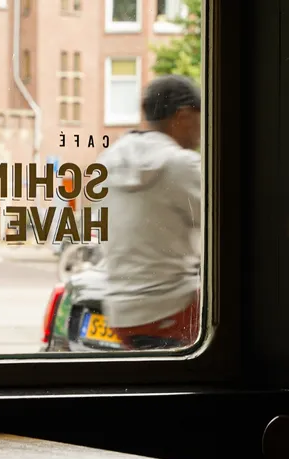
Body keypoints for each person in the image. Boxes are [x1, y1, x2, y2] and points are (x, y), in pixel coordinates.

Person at [97, 75, 202, 350]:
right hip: (170, 306)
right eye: (199, 120)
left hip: (119, 311)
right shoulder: (181, 164)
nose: (201, 131)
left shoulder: (108, 161)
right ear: (183, 116)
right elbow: (223, 222)